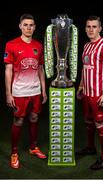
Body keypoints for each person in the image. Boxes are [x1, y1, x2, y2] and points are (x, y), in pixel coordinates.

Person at [4, 13, 47, 169]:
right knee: (19, 120)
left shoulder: (38, 45)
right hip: (19, 91)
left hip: (35, 90)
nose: (28, 27)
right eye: (26, 24)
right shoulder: (11, 44)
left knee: (35, 118)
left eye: (31, 25)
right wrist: (8, 93)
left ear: (34, 27)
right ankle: (14, 152)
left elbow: (40, 69)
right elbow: (8, 70)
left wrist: (43, 90)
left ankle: (33, 147)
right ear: (20, 26)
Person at [77, 15, 103, 170]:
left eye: (94, 26)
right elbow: (85, 69)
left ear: (100, 28)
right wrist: (80, 87)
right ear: (85, 28)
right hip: (86, 92)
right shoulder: (86, 46)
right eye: (88, 26)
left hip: (98, 93)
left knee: (100, 122)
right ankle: (91, 147)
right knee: (88, 121)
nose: (91, 29)